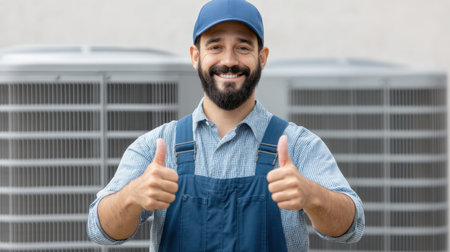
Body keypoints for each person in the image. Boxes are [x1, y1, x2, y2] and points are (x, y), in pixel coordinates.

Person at [87, 0, 365, 251]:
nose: (229, 61)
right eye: (215, 46)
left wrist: (312, 195)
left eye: (243, 47)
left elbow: (351, 228)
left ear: (262, 57)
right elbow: (100, 231)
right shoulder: (157, 146)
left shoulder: (299, 147)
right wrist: (131, 196)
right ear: (196, 56)